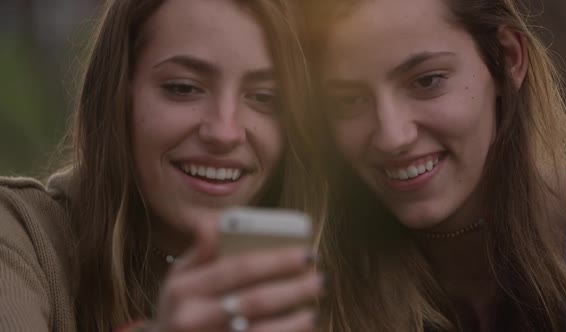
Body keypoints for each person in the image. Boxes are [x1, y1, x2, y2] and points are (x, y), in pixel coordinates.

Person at [0, 0, 325, 331]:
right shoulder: (18, 241)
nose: (224, 133)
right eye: (183, 88)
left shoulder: (338, 268)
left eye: (264, 97)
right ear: (119, 95)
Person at [299, 0, 566, 330]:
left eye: (426, 81)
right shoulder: (313, 290)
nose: (392, 137)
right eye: (349, 101)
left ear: (508, 59)